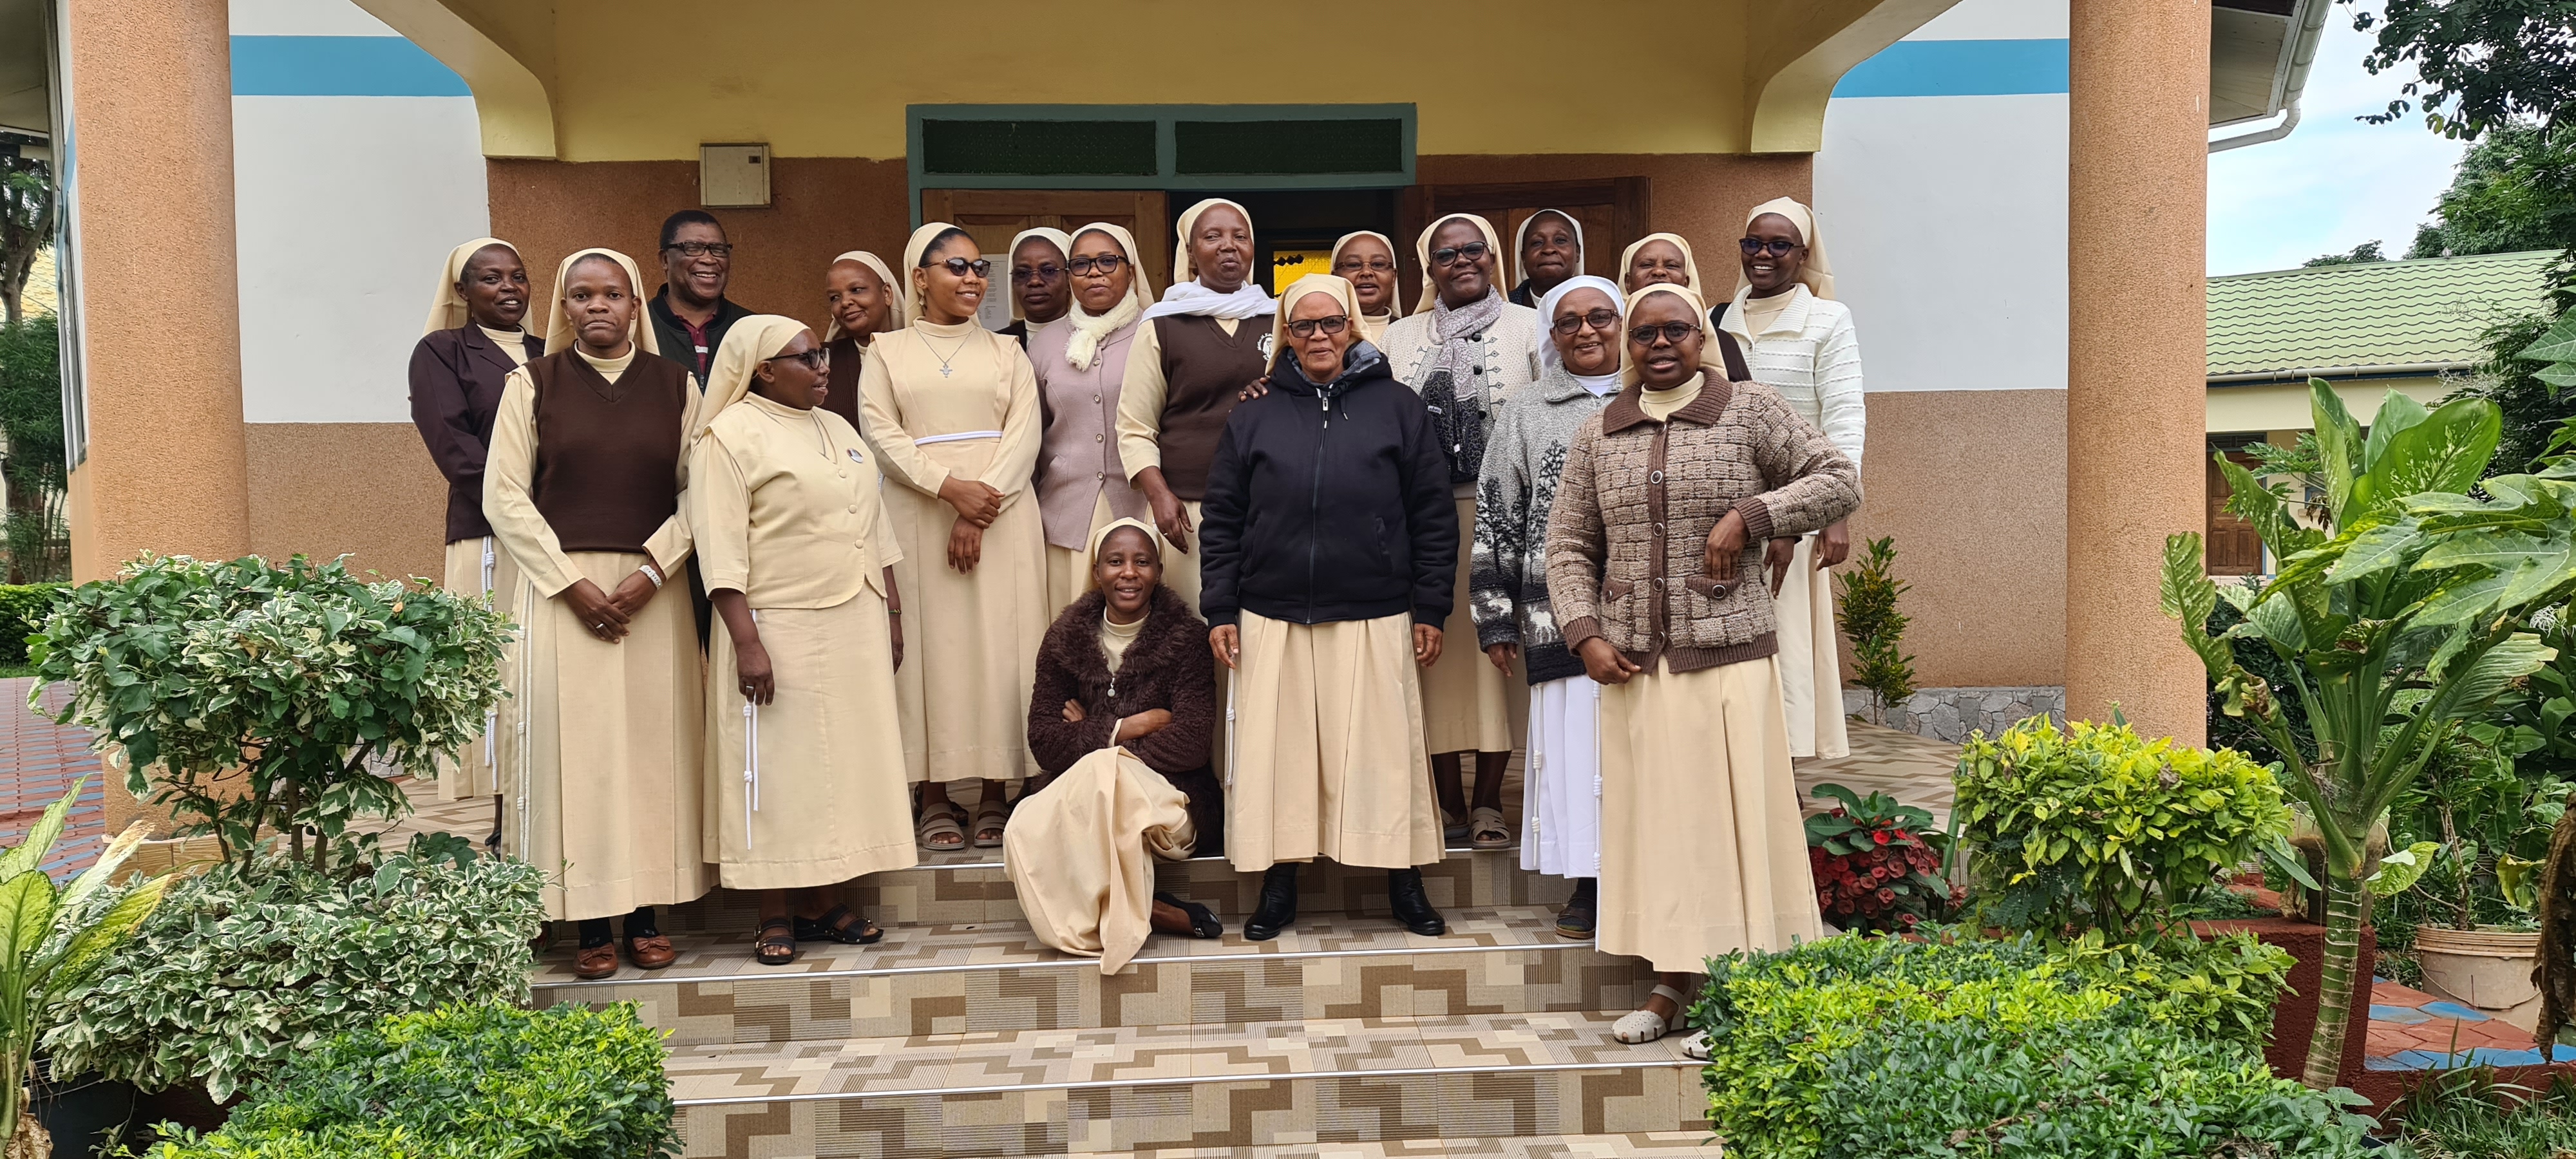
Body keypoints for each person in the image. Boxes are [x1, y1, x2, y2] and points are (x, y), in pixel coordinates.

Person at [1544, 281, 1859, 1052]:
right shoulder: (1598, 433)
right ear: (1628, 343)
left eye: (1675, 330)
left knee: (1733, 822)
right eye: (1645, 332)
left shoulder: (1749, 410)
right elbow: (1566, 546)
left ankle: (1747, 989)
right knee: (1660, 829)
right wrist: (1585, 634)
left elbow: (1837, 478)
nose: (1659, 343)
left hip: (1726, 658)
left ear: (1700, 337)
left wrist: (1750, 516)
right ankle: (1671, 983)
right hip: (1634, 666)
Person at [1201, 274, 1454, 942]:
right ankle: (1279, 881)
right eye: (1304, 326)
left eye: (1331, 323)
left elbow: (1431, 514)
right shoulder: (1252, 413)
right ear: (1286, 334)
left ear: (1353, 328)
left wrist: (1430, 606)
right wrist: (1220, 608)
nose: (1319, 336)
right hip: (1271, 611)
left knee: (1384, 752)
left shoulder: (1397, 407)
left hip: (1373, 607)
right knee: (1279, 755)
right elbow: (1223, 517)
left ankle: (1402, 876)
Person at [484, 247, 710, 981]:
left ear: (636, 306)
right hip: (560, 593)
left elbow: (698, 493)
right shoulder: (532, 383)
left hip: (654, 593)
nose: (597, 307)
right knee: (574, 755)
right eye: (581, 296)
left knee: (647, 752)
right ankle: (585, 920)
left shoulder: (678, 385)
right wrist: (569, 583)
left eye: (612, 294)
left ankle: (645, 913)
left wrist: (652, 571)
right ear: (564, 308)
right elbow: (505, 497)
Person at [688, 316, 917, 967]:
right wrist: (746, 642)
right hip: (774, 622)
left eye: (821, 354)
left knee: (841, 763)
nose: (821, 366)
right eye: (804, 357)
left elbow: (875, 527)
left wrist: (893, 613)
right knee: (781, 769)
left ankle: (825, 900)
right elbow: (720, 547)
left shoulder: (838, 428)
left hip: (853, 618)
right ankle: (773, 911)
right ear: (762, 370)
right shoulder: (727, 438)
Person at [859, 223, 1048, 851]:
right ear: (920, 277)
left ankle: (996, 790)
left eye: (978, 269)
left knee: (1002, 647)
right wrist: (946, 488)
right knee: (928, 651)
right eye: (956, 268)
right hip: (917, 513)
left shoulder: (1007, 352)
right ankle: (934, 793)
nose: (973, 279)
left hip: (1001, 513)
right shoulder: (885, 352)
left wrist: (975, 509)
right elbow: (881, 437)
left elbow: (1024, 437)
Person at [1379, 213, 1539, 852]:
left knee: (1497, 657)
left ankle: (1488, 801)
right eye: (1446, 255)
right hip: (1424, 519)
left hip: (1507, 513)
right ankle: (1446, 800)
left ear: (1494, 257)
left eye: (1475, 249)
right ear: (1429, 268)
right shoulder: (1397, 337)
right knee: (1437, 655)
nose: (1462, 261)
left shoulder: (1531, 327)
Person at [1469, 274, 1622, 939]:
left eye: (1601, 318)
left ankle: (1645, 879)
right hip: (1554, 612)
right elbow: (1496, 512)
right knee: (1573, 755)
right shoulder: (1528, 409)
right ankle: (1588, 886)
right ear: (1550, 336)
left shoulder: (1663, 399)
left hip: (1651, 615)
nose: (1586, 331)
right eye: (1569, 322)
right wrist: (1495, 614)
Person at [1009, 517, 1226, 971]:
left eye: (1142, 562)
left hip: (1171, 803)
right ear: (1096, 571)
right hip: (1087, 800)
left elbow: (1190, 741)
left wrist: (1091, 736)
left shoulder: (1187, 640)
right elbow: (1044, 741)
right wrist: (1130, 727)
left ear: (1158, 572)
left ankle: (1116, 913)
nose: (1129, 572)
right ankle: (1148, 910)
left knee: (1102, 780)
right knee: (1022, 826)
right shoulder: (1063, 640)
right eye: (1116, 561)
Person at [1113, 198, 1274, 781]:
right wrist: (1158, 493)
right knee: (1195, 649)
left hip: (1267, 512)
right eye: (1213, 237)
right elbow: (1134, 424)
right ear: (1190, 251)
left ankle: (1251, 783)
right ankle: (1193, 786)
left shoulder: (1280, 320)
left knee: (1257, 653)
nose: (1228, 246)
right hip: (1190, 515)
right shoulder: (1162, 325)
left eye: (1240, 235)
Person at [1719, 198, 1864, 761]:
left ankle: (1785, 773)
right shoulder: (1717, 321)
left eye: (1780, 245)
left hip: (1798, 507)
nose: (1763, 255)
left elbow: (1845, 417)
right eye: (1753, 243)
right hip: (1724, 507)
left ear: (1803, 255)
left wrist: (1834, 512)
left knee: (1787, 639)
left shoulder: (1829, 320)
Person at [410, 237, 544, 847]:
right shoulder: (442, 353)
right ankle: (502, 823)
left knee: (546, 673)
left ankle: (547, 809)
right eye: (491, 279)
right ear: (462, 292)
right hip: (490, 537)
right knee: (500, 673)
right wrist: (525, 508)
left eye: (518, 277)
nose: (509, 288)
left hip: (560, 537)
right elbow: (455, 448)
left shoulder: (553, 353)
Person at [1033, 223, 1157, 615]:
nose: (1095, 272)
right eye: (1082, 264)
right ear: (1069, 275)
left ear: (1131, 270)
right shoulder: (1045, 344)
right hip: (1066, 515)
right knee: (1072, 631)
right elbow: (1030, 436)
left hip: (1141, 509)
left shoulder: (1157, 333)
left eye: (1108, 261)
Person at [649, 209, 759, 381]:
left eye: (719, 249)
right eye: (693, 248)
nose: (709, 259)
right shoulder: (638, 327)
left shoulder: (753, 329)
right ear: (665, 260)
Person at [819, 250, 904, 435]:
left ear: (887, 294)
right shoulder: (820, 361)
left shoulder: (918, 353)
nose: (845, 302)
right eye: (835, 297)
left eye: (856, 290)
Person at [998, 227, 1074, 349]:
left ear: (1069, 278)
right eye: (1022, 273)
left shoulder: (1094, 340)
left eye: (1048, 271)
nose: (1034, 281)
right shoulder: (998, 345)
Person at [1329, 230, 1405, 344]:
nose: (1366, 272)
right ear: (1335, 277)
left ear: (1393, 277)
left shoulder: (1413, 333)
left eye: (1378, 264)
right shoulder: (1322, 335)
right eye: (1353, 265)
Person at [1508, 210, 1585, 307]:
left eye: (1560, 240)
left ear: (1577, 253)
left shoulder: (1600, 304)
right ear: (1524, 258)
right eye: (1537, 242)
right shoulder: (1501, 308)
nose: (1549, 249)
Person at [1618, 232, 1703, 294]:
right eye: (1646, 265)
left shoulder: (1702, 319)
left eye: (1671, 266)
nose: (1659, 271)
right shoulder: (1612, 319)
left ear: (1686, 283)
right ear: (1628, 282)